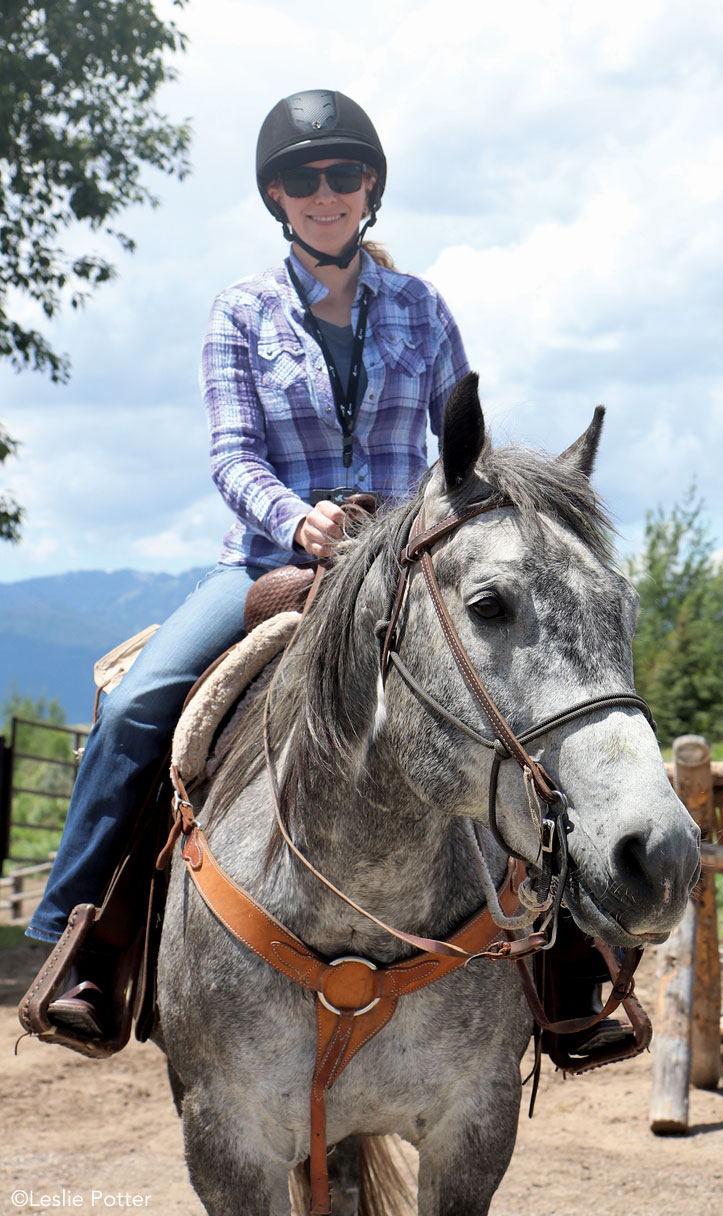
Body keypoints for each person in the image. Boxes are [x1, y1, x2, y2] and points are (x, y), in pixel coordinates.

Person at [26, 89, 470, 1033]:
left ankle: (573, 970)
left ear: (370, 188)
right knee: (142, 702)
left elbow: (457, 446)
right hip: (271, 562)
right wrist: (297, 521)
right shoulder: (240, 312)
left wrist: (437, 525)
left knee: (513, 700)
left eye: (341, 175)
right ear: (277, 196)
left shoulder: (425, 311)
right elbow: (232, 454)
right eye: (303, 179)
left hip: (397, 563)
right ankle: (87, 945)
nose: (324, 193)